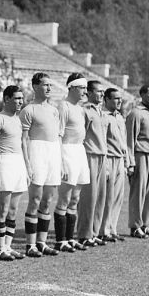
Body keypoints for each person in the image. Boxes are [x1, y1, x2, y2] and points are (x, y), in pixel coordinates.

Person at [19, 72, 61, 258]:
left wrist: (60, 162)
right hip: (37, 153)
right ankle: (30, 244)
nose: (48, 88)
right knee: (35, 200)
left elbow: (57, 138)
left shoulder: (54, 110)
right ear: (35, 87)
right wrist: (27, 164)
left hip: (52, 153)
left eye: (50, 85)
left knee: (48, 200)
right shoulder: (29, 110)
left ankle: (42, 243)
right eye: (45, 85)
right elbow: (24, 139)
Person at [0, 85, 27, 261]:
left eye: (21, 98)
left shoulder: (18, 120)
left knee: (13, 210)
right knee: (2, 210)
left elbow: (22, 144)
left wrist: (26, 167)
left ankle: (8, 247)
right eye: (17, 98)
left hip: (18, 163)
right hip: (3, 163)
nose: (20, 102)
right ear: (7, 99)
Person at [53, 73, 90, 253]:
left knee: (75, 199)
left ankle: (70, 238)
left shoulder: (80, 109)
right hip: (67, 151)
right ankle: (60, 240)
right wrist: (61, 162)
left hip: (79, 151)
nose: (85, 91)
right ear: (73, 87)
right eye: (82, 87)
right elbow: (58, 136)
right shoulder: (63, 106)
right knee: (65, 198)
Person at [126, 85, 149, 238]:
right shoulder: (135, 113)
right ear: (142, 95)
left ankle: (145, 224)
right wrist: (130, 162)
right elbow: (129, 140)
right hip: (141, 154)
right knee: (138, 192)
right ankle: (135, 226)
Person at [76, 80, 108, 247]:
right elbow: (81, 136)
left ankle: (94, 232)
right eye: (98, 91)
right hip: (90, 155)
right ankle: (84, 233)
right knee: (88, 197)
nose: (102, 94)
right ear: (88, 92)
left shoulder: (100, 111)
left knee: (100, 196)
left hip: (102, 156)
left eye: (103, 92)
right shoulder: (85, 111)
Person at [99, 88, 128, 242]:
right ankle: (103, 230)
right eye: (116, 98)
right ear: (107, 99)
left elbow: (124, 142)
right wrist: (107, 166)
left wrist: (127, 161)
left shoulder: (120, 117)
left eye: (120, 99)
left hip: (120, 159)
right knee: (107, 198)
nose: (119, 101)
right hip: (109, 159)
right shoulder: (104, 117)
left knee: (118, 197)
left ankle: (112, 228)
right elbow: (103, 142)